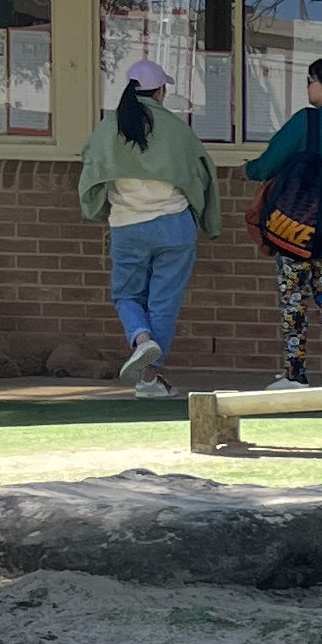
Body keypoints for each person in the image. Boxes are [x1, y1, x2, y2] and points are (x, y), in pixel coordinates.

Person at [79, 56, 218, 395]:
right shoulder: (175, 128)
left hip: (127, 226)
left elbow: (90, 173)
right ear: (160, 92)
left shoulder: (109, 127)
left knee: (127, 294)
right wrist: (207, 217)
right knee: (164, 303)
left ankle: (141, 338)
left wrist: (98, 209)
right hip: (174, 226)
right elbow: (201, 174)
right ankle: (149, 378)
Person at [245, 56, 322, 385]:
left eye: (310, 80)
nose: (307, 86)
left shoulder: (307, 122)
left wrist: (250, 169)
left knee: (294, 301)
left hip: (297, 230)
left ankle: (295, 374)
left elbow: (267, 164)